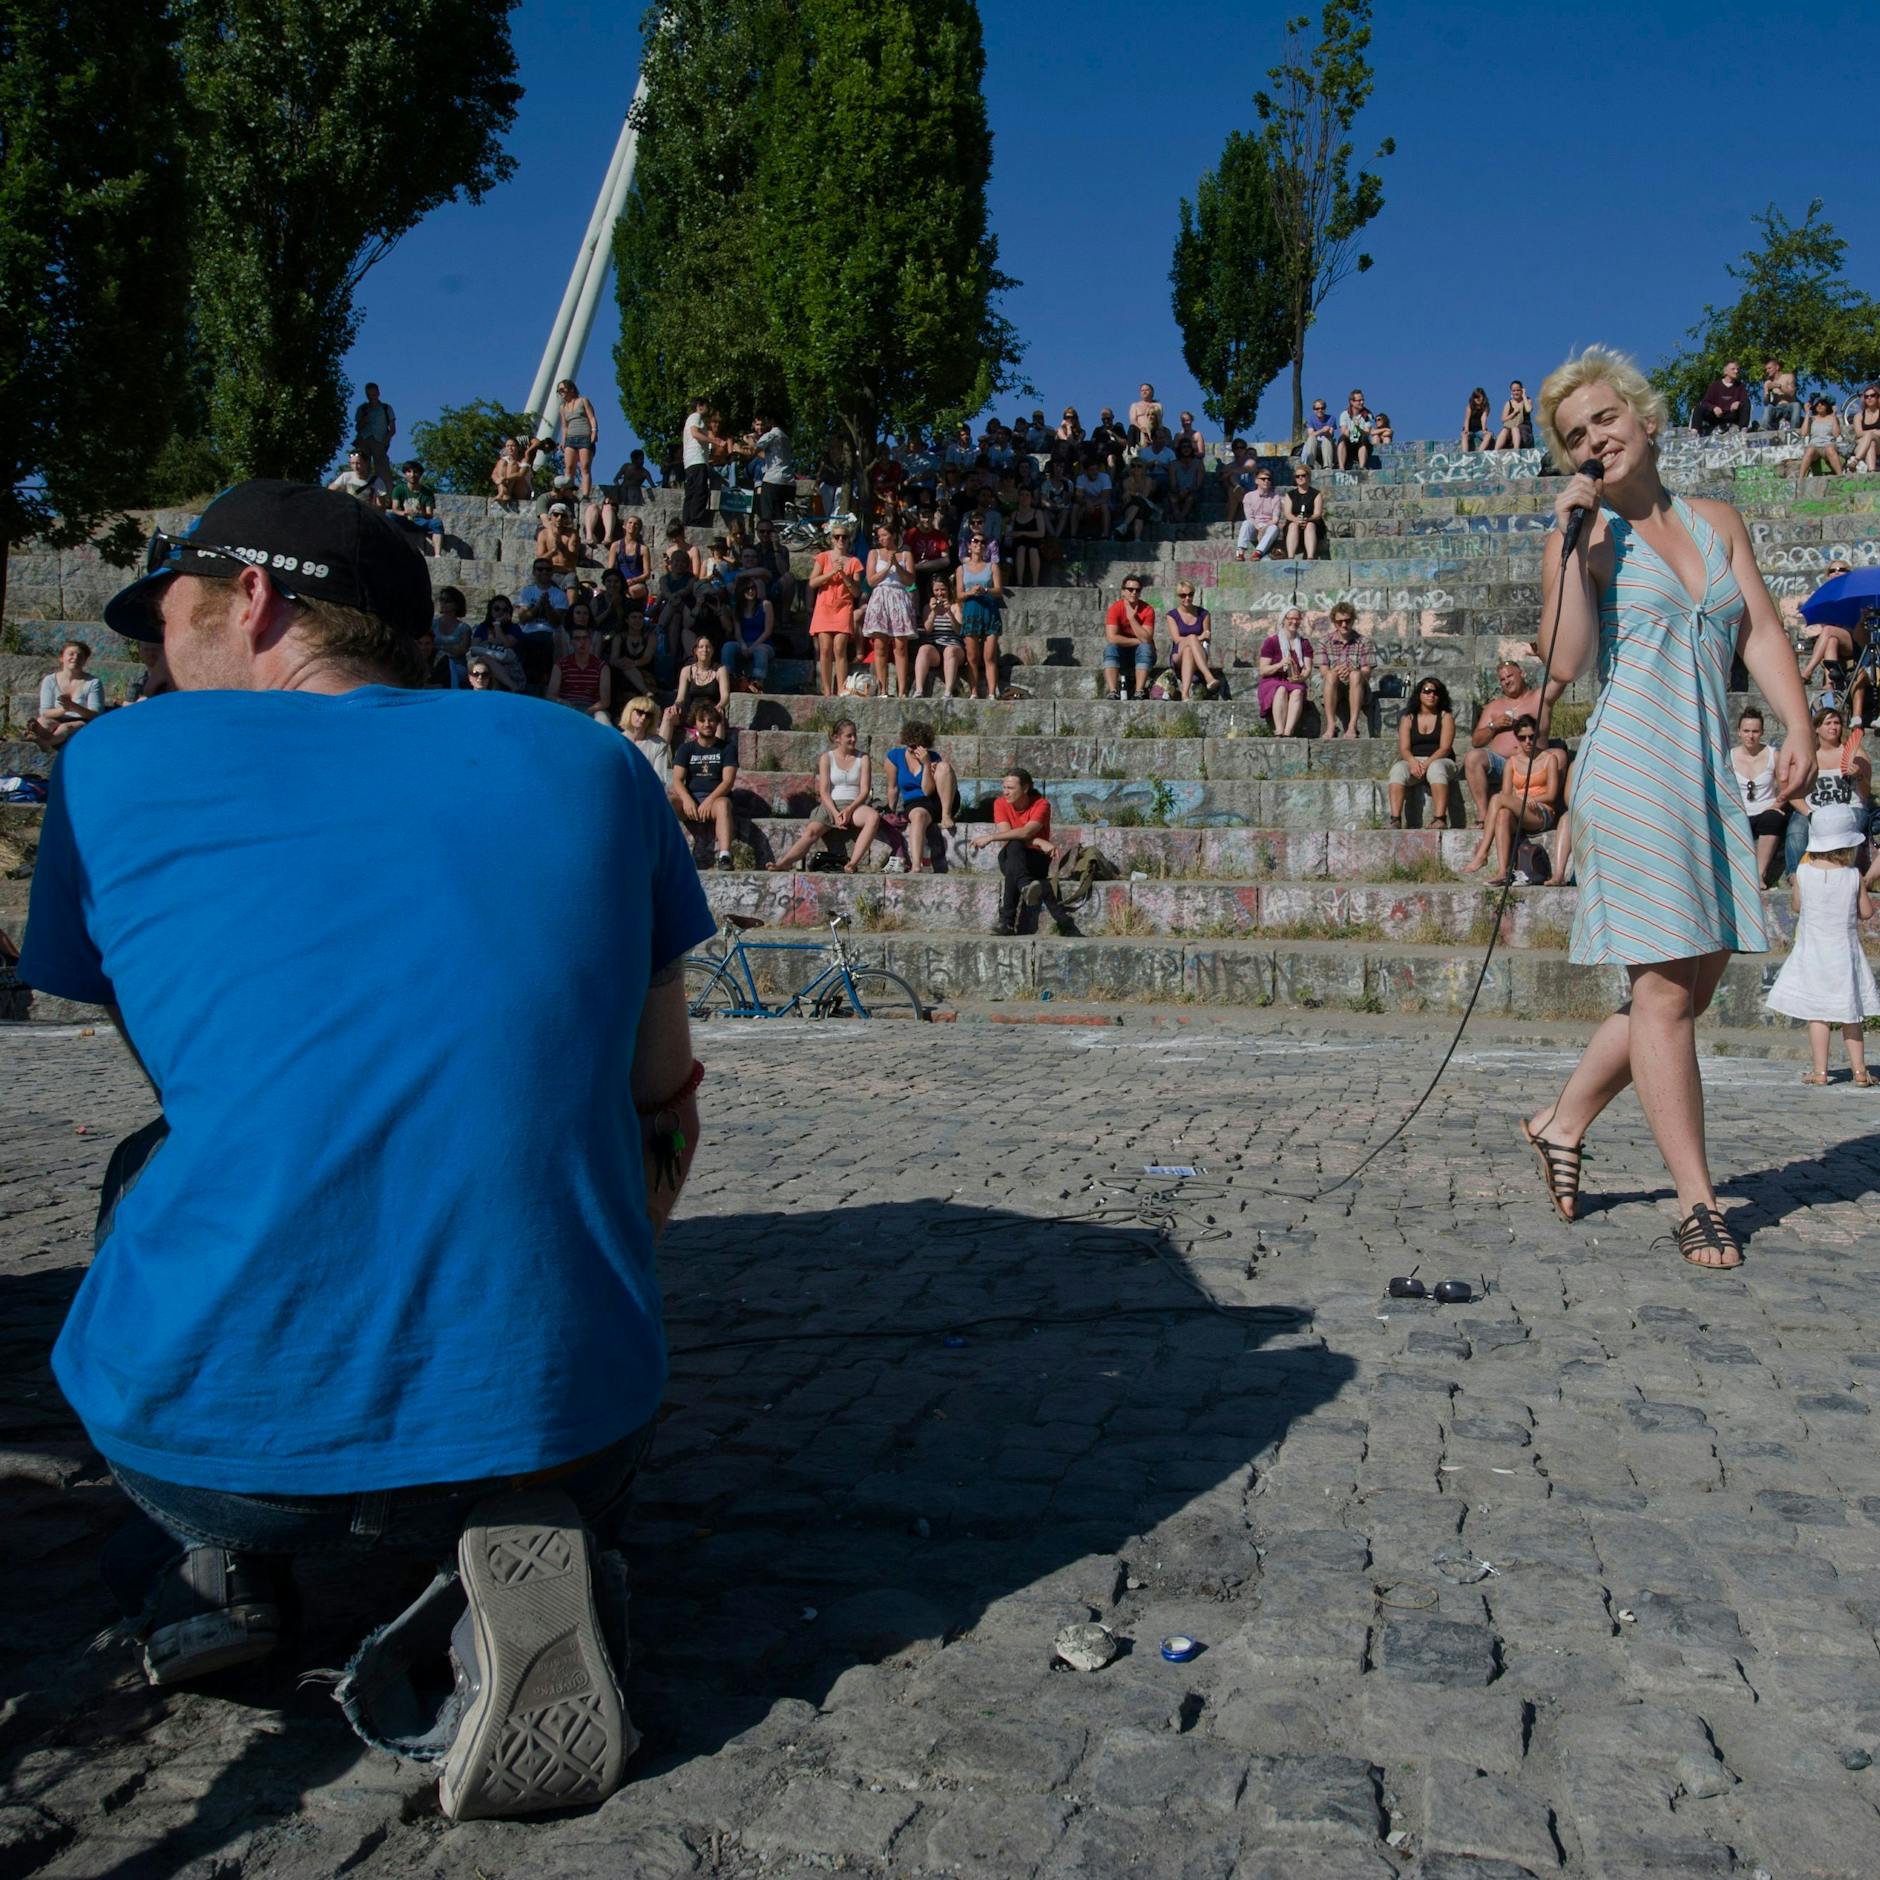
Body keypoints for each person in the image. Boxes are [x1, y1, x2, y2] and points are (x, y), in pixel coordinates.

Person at [18, 477, 712, 1821]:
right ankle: (519, 1524)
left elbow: (205, 1075)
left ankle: (220, 1567)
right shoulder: (596, 762)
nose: (152, 664)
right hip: (571, 1421)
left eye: (164, 625)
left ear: (254, 601)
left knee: (151, 1162)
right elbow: (663, 1099)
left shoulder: (111, 765)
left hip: (210, 1451)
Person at [1519, 345, 1814, 1271]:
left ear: (1644, 419)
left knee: (1692, 981)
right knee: (1662, 994)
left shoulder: (1718, 522)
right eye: (1574, 435)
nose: (1593, 439)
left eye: (1604, 418)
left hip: (1705, 771)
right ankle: (1698, 1200)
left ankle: (1562, 1121)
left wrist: (1797, 722)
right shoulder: (1589, 534)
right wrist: (1568, 542)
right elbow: (1563, 662)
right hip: (1631, 768)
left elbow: (1759, 630)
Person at [1766, 800, 1879, 1083]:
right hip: (1845, 954)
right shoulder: (1852, 876)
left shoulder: (1802, 873)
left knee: (1818, 1015)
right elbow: (1866, 913)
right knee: (1850, 1014)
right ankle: (1860, 1071)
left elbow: (1796, 907)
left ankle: (1820, 1071)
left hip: (1813, 954)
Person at [766, 718, 882, 874]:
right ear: (837, 738)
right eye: (849, 736)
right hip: (831, 804)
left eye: (855, 735)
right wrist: (835, 813)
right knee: (811, 831)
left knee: (873, 817)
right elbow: (824, 791)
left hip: (854, 805)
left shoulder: (863, 758)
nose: (853, 739)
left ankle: (853, 863)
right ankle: (784, 862)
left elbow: (864, 791)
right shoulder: (827, 758)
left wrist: (849, 810)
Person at [972, 768, 1079, 937]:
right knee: (1014, 847)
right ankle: (1025, 887)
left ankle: (1007, 922)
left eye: (1011, 788)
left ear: (1025, 788)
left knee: (1013, 865)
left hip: (1036, 860)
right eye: (1004, 787)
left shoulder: (1041, 805)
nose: (1005, 792)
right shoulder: (1000, 803)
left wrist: (991, 837)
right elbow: (1008, 836)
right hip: (1011, 855)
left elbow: (1025, 833)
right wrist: (1039, 841)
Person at [1461, 715, 1563, 882]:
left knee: (1497, 798)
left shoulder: (1549, 759)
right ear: (1517, 738)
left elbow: (1551, 795)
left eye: (1532, 736)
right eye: (1523, 738)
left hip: (1541, 811)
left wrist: (1530, 799)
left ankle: (1483, 852)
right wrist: (1520, 800)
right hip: (1520, 811)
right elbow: (1507, 795)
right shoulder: (1512, 762)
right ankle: (1503, 871)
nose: (1528, 741)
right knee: (1502, 815)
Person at [1464, 659, 1544, 825]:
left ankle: (1548, 812)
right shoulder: (1494, 706)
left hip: (1531, 762)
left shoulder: (1538, 697)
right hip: (1501, 764)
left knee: (1559, 755)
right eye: (1502, 679)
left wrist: (1541, 656)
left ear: (1522, 674)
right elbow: (1476, 741)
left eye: (1510, 676)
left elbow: (1559, 681)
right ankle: (1483, 814)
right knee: (1473, 757)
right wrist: (1494, 726)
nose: (1506, 681)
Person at [670, 699, 738, 869]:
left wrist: (709, 801)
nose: (707, 724)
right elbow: (677, 779)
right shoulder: (686, 749)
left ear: (717, 723)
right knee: (667, 803)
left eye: (711, 720)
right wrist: (686, 799)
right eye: (702, 720)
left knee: (723, 805)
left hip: (715, 799)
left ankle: (724, 857)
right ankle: (666, 855)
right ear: (695, 723)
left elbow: (728, 781)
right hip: (691, 799)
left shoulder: (727, 748)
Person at [884, 721, 956, 873]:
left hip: (937, 799)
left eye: (917, 745)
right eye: (910, 745)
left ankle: (946, 814)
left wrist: (926, 763)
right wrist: (890, 811)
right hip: (914, 802)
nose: (913, 749)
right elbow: (893, 787)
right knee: (917, 815)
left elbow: (928, 790)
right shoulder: (894, 756)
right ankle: (916, 865)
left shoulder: (932, 757)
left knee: (944, 767)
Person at [1388, 678, 1458, 827]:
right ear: (1419, 694)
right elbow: (1404, 748)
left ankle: (1440, 818)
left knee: (1436, 768)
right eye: (1427, 691)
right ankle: (1395, 819)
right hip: (1415, 760)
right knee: (1398, 770)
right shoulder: (1408, 718)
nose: (1431, 695)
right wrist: (1413, 762)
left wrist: (1426, 764)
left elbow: (1445, 748)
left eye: (1436, 692)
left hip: (1441, 760)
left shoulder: (1446, 717)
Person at [1731, 706, 1790, 886]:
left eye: (1755, 731)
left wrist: (1777, 805)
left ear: (1762, 732)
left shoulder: (1774, 755)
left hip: (1765, 810)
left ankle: (1759, 874)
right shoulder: (1730, 756)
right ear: (1739, 732)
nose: (1751, 736)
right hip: (1739, 812)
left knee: (1772, 818)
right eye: (1746, 731)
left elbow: (1785, 788)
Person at [862, 522, 918, 699]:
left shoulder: (906, 554)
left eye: (884, 535)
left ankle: (902, 690)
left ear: (893, 535)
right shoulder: (874, 553)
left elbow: (909, 581)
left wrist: (898, 565)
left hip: (899, 597)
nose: (881, 539)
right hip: (880, 597)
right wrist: (887, 567)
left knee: (900, 646)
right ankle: (883, 689)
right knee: (880, 645)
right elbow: (871, 581)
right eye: (879, 536)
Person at [809, 525, 862, 698]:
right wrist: (832, 572)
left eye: (844, 537)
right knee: (825, 648)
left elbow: (856, 592)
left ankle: (841, 688)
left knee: (839, 648)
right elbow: (812, 582)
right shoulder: (823, 557)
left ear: (848, 540)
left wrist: (844, 576)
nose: (841, 540)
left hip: (843, 607)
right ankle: (826, 690)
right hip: (824, 607)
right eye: (837, 537)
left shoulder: (854, 562)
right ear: (832, 539)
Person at [29, 639, 107, 753]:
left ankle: (46, 743)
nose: (75, 657)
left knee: (65, 727)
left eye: (80, 656)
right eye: (71, 654)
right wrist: (64, 709)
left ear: (84, 661)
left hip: (82, 722)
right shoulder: (50, 680)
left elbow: (96, 714)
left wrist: (73, 707)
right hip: (56, 718)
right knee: (42, 721)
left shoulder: (93, 682)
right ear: (61, 658)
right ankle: (42, 734)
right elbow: (45, 712)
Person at [955, 530, 1004, 701]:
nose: (979, 545)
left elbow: (999, 590)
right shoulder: (961, 569)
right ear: (969, 545)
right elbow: (959, 595)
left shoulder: (992, 566)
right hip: (971, 609)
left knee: (989, 656)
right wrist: (970, 592)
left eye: (982, 542)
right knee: (972, 656)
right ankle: (974, 691)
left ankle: (991, 692)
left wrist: (985, 590)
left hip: (989, 609)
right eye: (975, 541)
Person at [1315, 602, 1375, 738]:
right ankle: (1331, 725)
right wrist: (1335, 671)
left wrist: (1352, 670)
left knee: (1356, 675)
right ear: (1334, 622)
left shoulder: (1364, 642)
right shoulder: (1324, 642)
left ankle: (1352, 726)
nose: (1343, 625)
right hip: (1331, 685)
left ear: (1353, 620)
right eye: (1339, 622)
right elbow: (1323, 671)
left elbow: (1367, 672)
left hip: (1356, 686)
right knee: (1330, 675)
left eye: (1347, 621)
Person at [545, 613, 613, 722]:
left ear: (590, 641)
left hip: (594, 708)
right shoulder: (560, 665)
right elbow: (551, 695)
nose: (582, 642)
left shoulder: (602, 667)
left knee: (603, 721)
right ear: (571, 642)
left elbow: (605, 701)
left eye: (585, 638)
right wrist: (563, 702)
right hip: (567, 706)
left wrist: (588, 711)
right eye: (577, 639)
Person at [1258, 608, 1312, 736]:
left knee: (1298, 691)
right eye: (1290, 618)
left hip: (1294, 680)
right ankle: (1279, 730)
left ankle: (1288, 732)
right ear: (1284, 620)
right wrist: (1280, 665)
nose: (1294, 621)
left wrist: (1301, 678)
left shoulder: (1304, 643)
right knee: (1281, 689)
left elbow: (1307, 669)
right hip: (1272, 680)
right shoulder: (1271, 642)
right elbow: (1263, 670)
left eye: (1297, 619)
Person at [1104, 575, 1157, 701]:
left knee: (1145, 648)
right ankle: (1113, 691)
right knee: (1110, 649)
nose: (1134, 592)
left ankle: (1139, 691)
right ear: (1123, 591)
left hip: (1144, 655)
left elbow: (1146, 639)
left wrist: (1132, 618)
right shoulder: (1115, 609)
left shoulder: (1148, 610)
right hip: (1122, 653)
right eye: (1130, 589)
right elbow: (1112, 638)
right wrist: (1138, 641)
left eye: (1137, 590)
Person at [914, 573, 966, 699]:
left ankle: (948, 692)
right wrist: (933, 612)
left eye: (943, 589)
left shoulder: (956, 607)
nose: (940, 593)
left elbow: (959, 630)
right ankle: (919, 690)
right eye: (936, 590)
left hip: (954, 647)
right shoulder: (928, 607)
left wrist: (949, 613)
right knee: (923, 649)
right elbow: (927, 630)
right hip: (935, 647)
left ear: (948, 590)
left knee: (949, 651)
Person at [721, 576, 775, 694]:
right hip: (745, 644)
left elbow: (768, 631)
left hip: (763, 644)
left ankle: (757, 682)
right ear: (741, 591)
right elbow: (738, 633)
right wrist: (744, 646)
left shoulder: (766, 605)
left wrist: (753, 647)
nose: (751, 591)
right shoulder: (738, 608)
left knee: (760, 651)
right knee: (728, 646)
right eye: (747, 589)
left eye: (753, 588)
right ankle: (728, 678)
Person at [1165, 582, 1218, 701]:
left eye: (1190, 594)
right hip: (1178, 653)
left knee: (1189, 650)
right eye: (1183, 595)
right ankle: (1208, 676)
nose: (1187, 598)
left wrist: (1200, 638)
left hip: (1199, 654)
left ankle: (1185, 694)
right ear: (1178, 596)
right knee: (1192, 638)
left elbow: (1208, 637)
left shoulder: (1204, 614)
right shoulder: (1172, 615)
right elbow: (1177, 639)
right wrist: (1197, 638)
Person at [387, 461, 444, 558]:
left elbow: (429, 514)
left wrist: (421, 512)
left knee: (437, 523)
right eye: (409, 472)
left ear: (420, 474)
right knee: (390, 517)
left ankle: (437, 554)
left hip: (420, 521)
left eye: (415, 472)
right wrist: (405, 512)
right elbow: (395, 509)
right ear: (405, 474)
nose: (412, 475)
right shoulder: (399, 489)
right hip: (405, 520)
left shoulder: (427, 493)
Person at [619, 694, 675, 787]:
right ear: (629, 712)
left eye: (648, 715)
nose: (644, 717)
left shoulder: (659, 744)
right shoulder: (617, 740)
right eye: (640, 712)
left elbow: (659, 779)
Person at [673, 634, 732, 718]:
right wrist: (676, 706)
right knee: (668, 715)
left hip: (712, 712)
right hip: (693, 713)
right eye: (701, 647)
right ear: (695, 651)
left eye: (708, 647)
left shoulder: (720, 670)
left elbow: (725, 697)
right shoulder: (686, 670)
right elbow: (680, 698)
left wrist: (719, 707)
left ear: (712, 651)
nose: (705, 650)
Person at [352, 381, 396, 492]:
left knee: (382, 470)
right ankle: (361, 492)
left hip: (379, 440)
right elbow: (357, 427)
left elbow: (392, 429)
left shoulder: (386, 408)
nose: (372, 397)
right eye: (369, 395)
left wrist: (385, 440)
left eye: (374, 394)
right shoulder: (362, 408)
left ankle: (387, 496)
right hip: (364, 439)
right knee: (361, 467)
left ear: (378, 393)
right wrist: (364, 419)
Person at [1236, 467, 1285, 561]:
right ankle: (1240, 553)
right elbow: (1249, 517)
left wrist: (1264, 528)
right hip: (1254, 526)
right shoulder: (1248, 496)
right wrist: (1258, 528)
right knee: (1246, 523)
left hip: (1268, 527)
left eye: (1269, 479)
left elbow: (1275, 519)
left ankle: (1257, 552)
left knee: (1274, 527)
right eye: (1263, 479)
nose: (1266, 481)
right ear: (1256, 481)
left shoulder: (1275, 497)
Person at [1692, 361, 1750, 437]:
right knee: (1699, 407)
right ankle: (1694, 432)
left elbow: (1745, 401)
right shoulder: (1715, 385)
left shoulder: (1740, 386)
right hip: (1716, 417)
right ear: (1725, 371)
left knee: (1746, 403)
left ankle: (1743, 430)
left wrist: (1738, 402)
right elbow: (1705, 402)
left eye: (1737, 369)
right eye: (1733, 369)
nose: (1736, 371)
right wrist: (1714, 408)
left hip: (1732, 416)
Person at [681, 395, 713, 527]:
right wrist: (714, 440)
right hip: (697, 459)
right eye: (706, 405)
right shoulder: (696, 417)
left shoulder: (691, 418)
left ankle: (687, 519)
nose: (708, 408)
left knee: (692, 491)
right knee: (700, 490)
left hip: (690, 461)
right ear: (700, 405)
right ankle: (695, 519)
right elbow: (695, 433)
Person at [1794, 396, 1846, 479]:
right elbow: (1803, 433)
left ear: (1827, 406)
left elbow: (1836, 434)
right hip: (1814, 446)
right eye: (1817, 404)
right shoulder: (1811, 419)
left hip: (1828, 444)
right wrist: (1807, 413)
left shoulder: (1832, 418)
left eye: (1822, 403)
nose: (1819, 405)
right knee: (1810, 450)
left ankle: (1840, 476)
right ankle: (1801, 478)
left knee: (1830, 449)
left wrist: (1834, 415)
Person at [1283, 465, 1324, 562]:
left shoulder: (1316, 494)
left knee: (1310, 526)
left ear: (1308, 477)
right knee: (1292, 526)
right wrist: (1296, 520)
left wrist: (1308, 519)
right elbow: (1287, 513)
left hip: (1312, 521)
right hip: (1294, 521)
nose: (1300, 478)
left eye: (1303, 475)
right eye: (1297, 476)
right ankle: (1290, 557)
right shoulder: (1290, 495)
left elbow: (1317, 513)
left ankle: (1310, 557)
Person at [1760, 358, 1804, 435]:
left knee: (1796, 405)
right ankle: (1766, 432)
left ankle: (1793, 432)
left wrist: (1779, 386)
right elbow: (1766, 403)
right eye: (1766, 369)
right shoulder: (1767, 382)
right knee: (1768, 408)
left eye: (1769, 368)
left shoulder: (1789, 376)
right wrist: (1767, 390)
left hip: (1789, 406)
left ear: (1777, 367)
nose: (1767, 371)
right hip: (1776, 408)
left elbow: (1792, 394)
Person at [534, 503, 581, 573]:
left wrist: (561, 547)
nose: (559, 518)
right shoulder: (543, 534)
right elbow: (539, 561)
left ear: (566, 518)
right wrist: (553, 551)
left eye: (563, 516)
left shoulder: (572, 534)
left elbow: (573, 560)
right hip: (548, 573)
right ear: (550, 516)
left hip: (567, 572)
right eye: (556, 515)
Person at [1335, 389, 1374, 470]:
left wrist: (1358, 428)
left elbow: (1367, 433)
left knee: (1363, 439)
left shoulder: (1367, 415)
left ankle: (1362, 467)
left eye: (1363, 400)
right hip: (1349, 444)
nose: (1362, 402)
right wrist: (1353, 431)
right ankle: (1341, 468)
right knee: (1342, 439)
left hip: (1363, 444)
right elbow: (1344, 431)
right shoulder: (1344, 414)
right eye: (1359, 400)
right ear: (1351, 402)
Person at [489, 436, 533, 505]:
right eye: (508, 446)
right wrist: (498, 481)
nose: (510, 448)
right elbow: (494, 474)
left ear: (518, 448)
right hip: (505, 487)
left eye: (513, 446)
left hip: (522, 490)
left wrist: (504, 478)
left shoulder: (524, 460)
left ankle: (506, 493)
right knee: (502, 462)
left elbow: (521, 474)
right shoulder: (504, 459)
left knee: (513, 463)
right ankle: (502, 492)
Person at [1494, 380, 1534, 451]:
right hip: (1511, 427)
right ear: (1511, 392)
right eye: (1514, 390)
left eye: (1518, 390)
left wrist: (1524, 396)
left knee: (1514, 428)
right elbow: (1503, 420)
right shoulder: (1508, 403)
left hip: (1524, 428)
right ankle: (1495, 451)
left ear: (1521, 390)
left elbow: (1528, 410)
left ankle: (1516, 450)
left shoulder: (1527, 400)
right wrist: (1513, 413)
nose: (1516, 392)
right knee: (1505, 430)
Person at [1850, 386, 1880, 475]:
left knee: (1871, 436)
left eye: (1872, 395)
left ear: (1878, 397)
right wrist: (1875, 431)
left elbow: (1862, 434)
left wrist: (1871, 433)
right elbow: (1859, 433)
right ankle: (1872, 472)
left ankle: (1855, 460)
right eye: (1866, 396)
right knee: (1871, 443)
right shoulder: (1859, 416)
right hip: (1862, 445)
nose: (1869, 398)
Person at [1300, 399, 1336, 469]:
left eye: (1322, 408)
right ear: (1314, 410)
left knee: (1327, 438)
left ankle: (1327, 466)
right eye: (1317, 408)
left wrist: (1324, 432)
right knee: (1311, 438)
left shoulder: (1331, 418)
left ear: (1325, 409)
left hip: (1327, 445)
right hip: (1314, 446)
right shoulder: (1311, 419)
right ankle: (1309, 465)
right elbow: (1311, 434)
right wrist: (1322, 430)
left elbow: (1331, 434)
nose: (1320, 410)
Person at [1461, 388, 1494, 452]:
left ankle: (1479, 452)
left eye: (1479, 396)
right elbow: (1467, 418)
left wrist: (1484, 429)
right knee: (1464, 435)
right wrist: (1466, 429)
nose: (1478, 398)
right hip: (1470, 429)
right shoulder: (1470, 406)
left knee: (1489, 435)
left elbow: (1483, 418)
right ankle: (1465, 454)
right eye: (1476, 397)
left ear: (1483, 397)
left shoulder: (1486, 407)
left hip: (1479, 430)